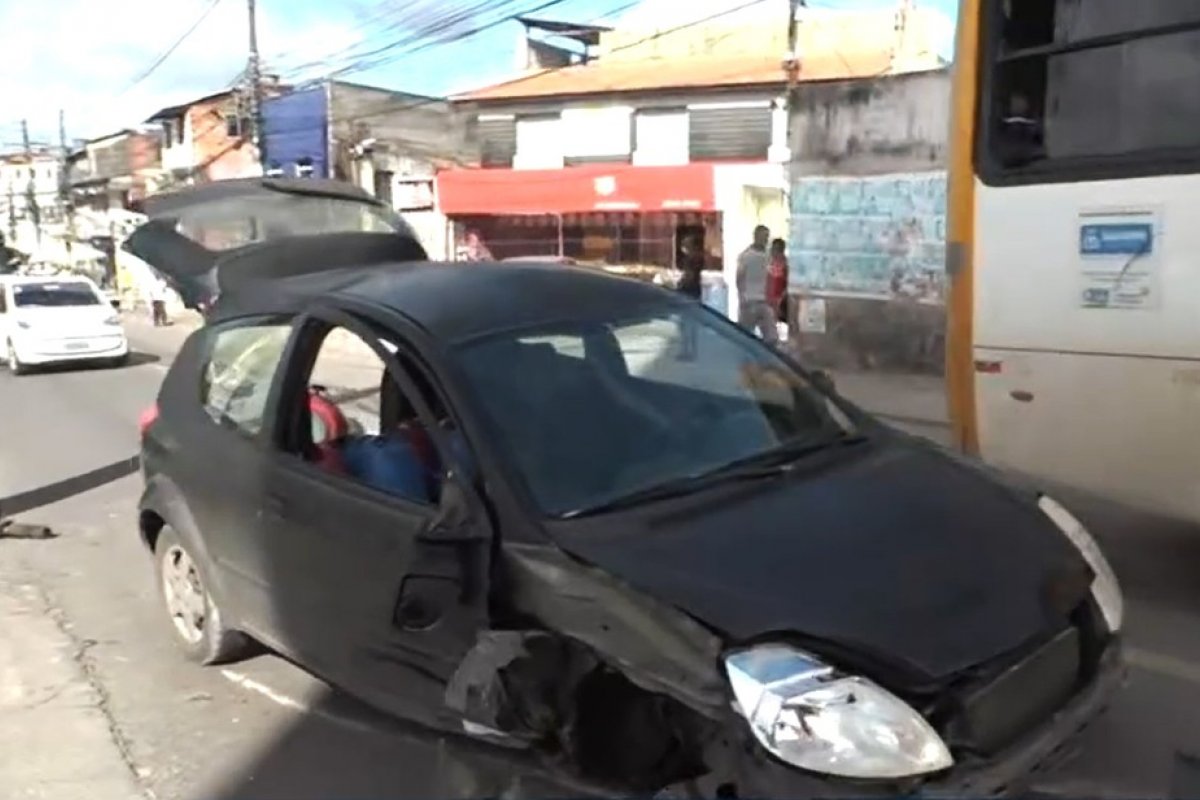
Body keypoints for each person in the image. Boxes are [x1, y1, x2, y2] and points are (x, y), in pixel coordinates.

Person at [736, 225, 776, 344]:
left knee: (771, 338)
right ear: (755, 236)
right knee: (745, 337)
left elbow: (771, 277)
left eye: (766, 237)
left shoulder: (768, 255)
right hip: (749, 301)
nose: (765, 239)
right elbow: (739, 278)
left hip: (764, 301)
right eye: (763, 236)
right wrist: (741, 296)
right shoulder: (746, 256)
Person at [767, 238, 790, 326]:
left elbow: (787, 285)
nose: (772, 251)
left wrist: (781, 299)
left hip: (780, 301)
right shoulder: (769, 263)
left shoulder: (786, 265)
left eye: (774, 249)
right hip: (769, 301)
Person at [676, 235, 704, 301]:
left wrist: (681, 284)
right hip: (697, 286)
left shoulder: (690, 258)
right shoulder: (699, 257)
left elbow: (689, 275)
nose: (682, 248)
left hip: (690, 288)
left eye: (684, 246)